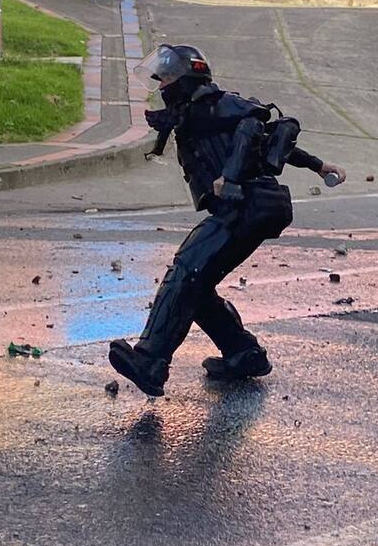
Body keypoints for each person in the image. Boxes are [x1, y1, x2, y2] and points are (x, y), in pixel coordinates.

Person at [109, 44, 346, 397]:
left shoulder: (221, 103)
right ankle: (243, 353)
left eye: (169, 78)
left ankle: (151, 361)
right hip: (243, 207)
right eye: (161, 79)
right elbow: (268, 140)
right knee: (197, 283)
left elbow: (258, 125)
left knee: (187, 269)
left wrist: (230, 177)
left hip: (247, 204)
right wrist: (318, 166)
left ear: (190, 77)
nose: (162, 86)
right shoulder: (194, 114)